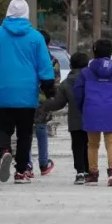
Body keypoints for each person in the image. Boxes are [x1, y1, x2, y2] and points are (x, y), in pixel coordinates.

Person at [0, 0, 56, 184]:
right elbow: (45, 68)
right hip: (27, 96)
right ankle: (20, 172)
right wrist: (50, 91)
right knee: (25, 134)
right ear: (27, 14)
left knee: (2, 129)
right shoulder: (36, 38)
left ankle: (5, 151)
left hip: (4, 93)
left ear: (8, 12)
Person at [74, 39, 112, 187]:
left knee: (92, 144)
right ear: (111, 54)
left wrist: (83, 108)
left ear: (94, 52)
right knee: (111, 142)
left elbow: (78, 94)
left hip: (91, 110)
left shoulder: (86, 73)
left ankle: (93, 173)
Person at [40, 51, 90, 185]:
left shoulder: (67, 83)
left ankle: (80, 172)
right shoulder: (92, 80)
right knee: (90, 145)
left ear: (71, 65)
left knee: (77, 145)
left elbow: (58, 104)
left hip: (75, 121)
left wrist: (43, 104)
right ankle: (90, 171)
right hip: (93, 119)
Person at [26, 30, 59, 178]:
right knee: (41, 130)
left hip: (25, 98)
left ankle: (27, 164)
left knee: (25, 131)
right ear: (48, 44)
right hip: (43, 101)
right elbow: (55, 83)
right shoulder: (53, 61)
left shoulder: (27, 57)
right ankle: (44, 164)